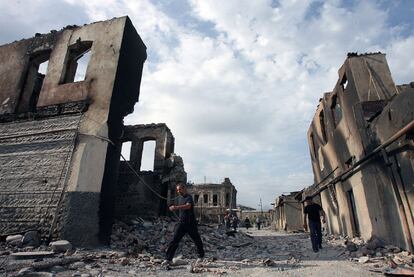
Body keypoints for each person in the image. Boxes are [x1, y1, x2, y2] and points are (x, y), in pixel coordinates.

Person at [163, 183, 205, 265]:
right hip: (182, 223)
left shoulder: (189, 197)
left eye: (180, 189)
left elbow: (188, 206)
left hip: (190, 223)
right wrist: (173, 207)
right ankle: (168, 259)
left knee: (196, 240)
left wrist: (176, 207)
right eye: (177, 190)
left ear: (184, 189)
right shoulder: (180, 198)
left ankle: (201, 256)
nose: (178, 191)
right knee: (174, 240)